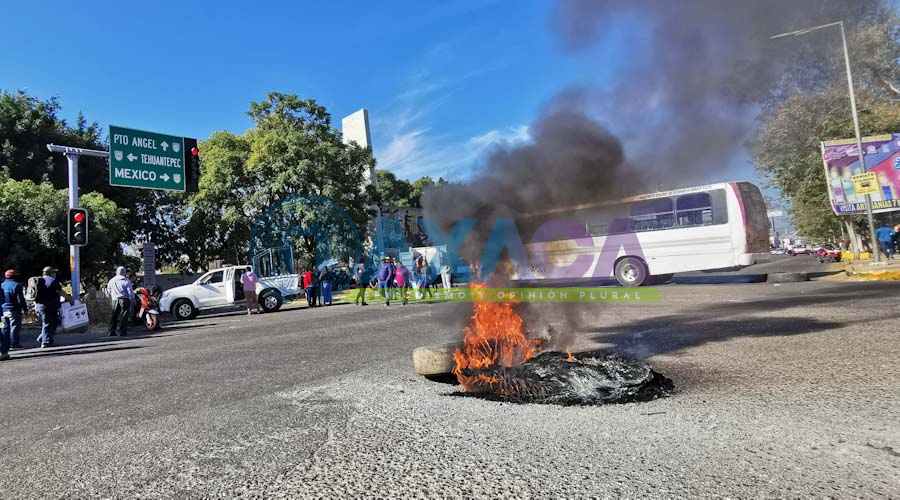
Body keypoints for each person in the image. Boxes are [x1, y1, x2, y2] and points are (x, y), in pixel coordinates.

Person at [34, 266, 65, 348]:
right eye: (54, 272)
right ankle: (45, 342)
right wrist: (70, 299)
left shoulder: (39, 280)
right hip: (49, 306)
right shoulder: (53, 281)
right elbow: (60, 292)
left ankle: (43, 338)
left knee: (52, 323)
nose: (55, 274)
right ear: (50, 273)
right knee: (48, 323)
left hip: (39, 306)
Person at [2, 269, 26, 350]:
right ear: (14, 276)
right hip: (14, 310)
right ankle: (14, 344)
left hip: (2, 311)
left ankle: (5, 344)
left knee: (4, 327)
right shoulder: (17, 285)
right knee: (14, 327)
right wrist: (25, 309)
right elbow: (21, 299)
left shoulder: (1, 285)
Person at [106, 266, 134, 337]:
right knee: (124, 316)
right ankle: (122, 332)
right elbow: (130, 292)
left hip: (115, 300)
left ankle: (111, 331)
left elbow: (108, 291)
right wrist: (132, 299)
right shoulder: (126, 280)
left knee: (114, 316)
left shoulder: (111, 280)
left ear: (117, 272)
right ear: (124, 272)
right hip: (124, 300)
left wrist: (110, 297)